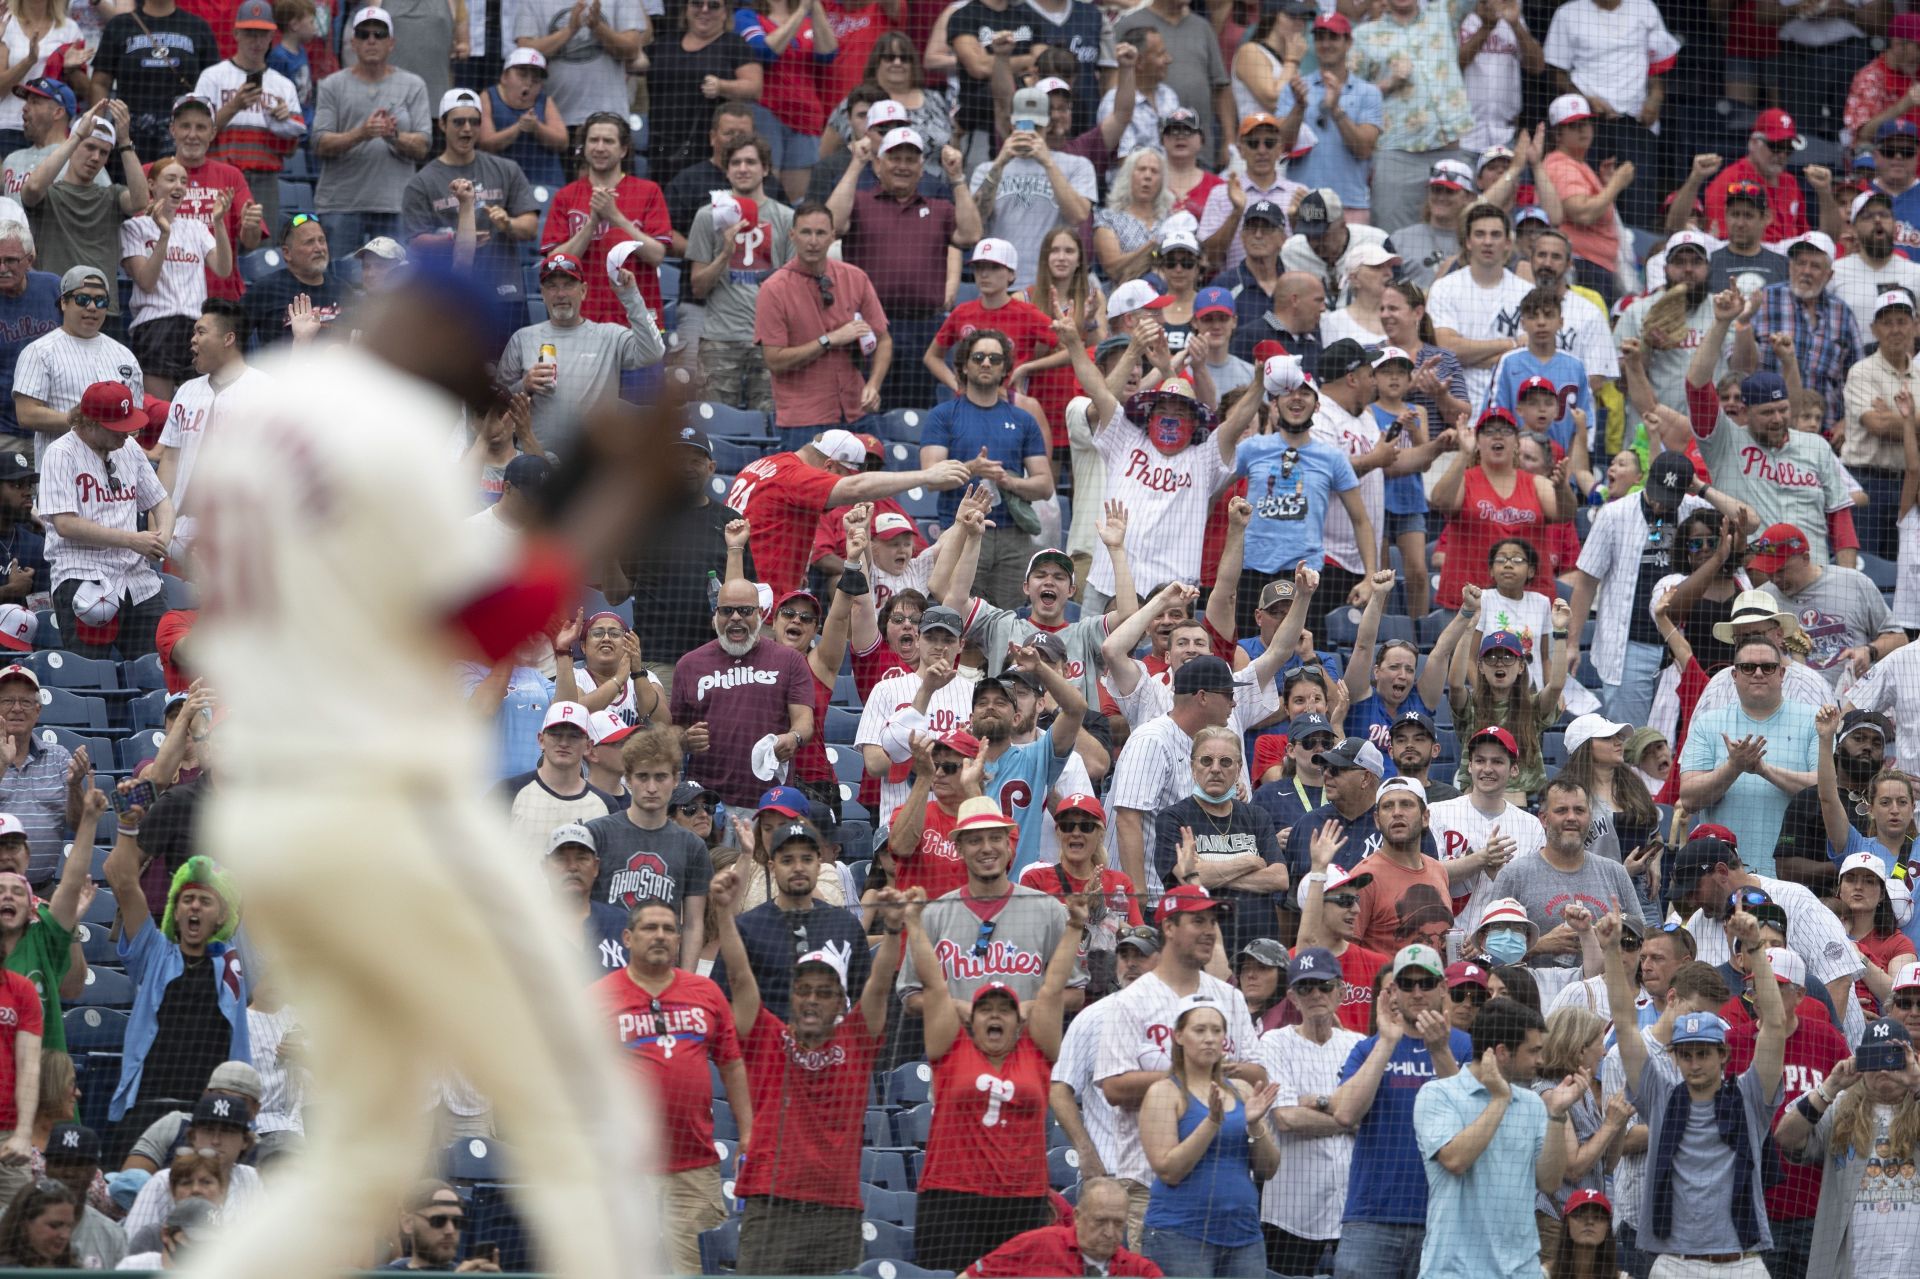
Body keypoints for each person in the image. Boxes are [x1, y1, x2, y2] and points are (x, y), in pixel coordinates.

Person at [903, 873, 1084, 1273]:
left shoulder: (1036, 1055)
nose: (996, 1015)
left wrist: (1073, 929)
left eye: (1005, 1008)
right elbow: (934, 985)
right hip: (952, 1199)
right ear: (972, 1015)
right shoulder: (951, 1052)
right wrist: (915, 924)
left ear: (1018, 1017)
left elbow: (1053, 989)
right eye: (987, 1008)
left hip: (1021, 1200)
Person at [1601, 900, 1785, 1279]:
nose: (1695, 1061)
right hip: (1673, 1264)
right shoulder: (1659, 1094)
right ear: (1675, 1056)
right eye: (1686, 1053)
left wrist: (1754, 949)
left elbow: (1775, 1027)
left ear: (1723, 1054)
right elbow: (1623, 1021)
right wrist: (1608, 950)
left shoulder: (1750, 1097)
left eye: (1704, 1052)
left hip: (1742, 1264)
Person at [595, 889, 747, 1276]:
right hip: (626, 1167)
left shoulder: (706, 992)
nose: (660, 935)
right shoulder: (597, 997)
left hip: (693, 1166)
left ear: (680, 940)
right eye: (649, 928)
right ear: (628, 938)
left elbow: (731, 1064)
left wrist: (748, 1130)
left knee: (693, 1271)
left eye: (668, 929)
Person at [1328, 943, 1472, 1279]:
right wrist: (1387, 1041)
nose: (1417, 992)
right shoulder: (1367, 1048)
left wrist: (1440, 1051)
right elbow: (1346, 1114)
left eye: (1427, 982)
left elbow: (1469, 1120)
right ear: (1393, 990)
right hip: (1372, 1216)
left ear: (1443, 988)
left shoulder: (1465, 1046)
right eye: (1408, 984)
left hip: (1442, 1219)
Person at [1413, 996, 1583, 1279]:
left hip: (1521, 1272)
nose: (1540, 1060)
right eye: (1533, 1051)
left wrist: (1556, 1115)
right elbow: (1455, 1160)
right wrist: (1500, 1099)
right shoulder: (1438, 1095)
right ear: (1502, 1052)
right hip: (1454, 1272)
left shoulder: (1531, 1104)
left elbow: (1550, 1182)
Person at [1137, 993, 1281, 1279]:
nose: (1210, 1038)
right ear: (1178, 1035)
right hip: (1180, 1234)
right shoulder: (1164, 1092)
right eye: (1199, 1030)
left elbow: (1269, 1168)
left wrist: (1254, 1126)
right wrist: (1211, 1122)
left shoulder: (1241, 1089)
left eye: (1217, 1030)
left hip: (1243, 1235)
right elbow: (1169, 1171)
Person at [1775, 1016, 1920, 1278]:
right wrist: (1829, 1088)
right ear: (1860, 1062)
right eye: (1874, 1057)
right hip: (1851, 1266)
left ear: (1910, 1059)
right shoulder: (1840, 1106)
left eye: (1893, 1056)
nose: (1884, 1068)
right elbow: (1786, 1136)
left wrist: (1916, 1082)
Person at [38, 381, 173, 660]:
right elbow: (65, 524)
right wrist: (133, 540)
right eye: (117, 426)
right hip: (84, 577)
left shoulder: (130, 448)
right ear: (90, 423)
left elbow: (161, 502)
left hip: (138, 581)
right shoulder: (60, 453)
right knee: (94, 677)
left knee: (158, 669)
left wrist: (162, 538)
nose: (127, 432)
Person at [498, 248, 667, 463]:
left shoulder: (609, 335)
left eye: (569, 285)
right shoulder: (522, 338)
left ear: (584, 290)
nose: (560, 294)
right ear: (542, 293)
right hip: (532, 461)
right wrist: (524, 385)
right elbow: (497, 404)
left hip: (592, 465)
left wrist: (630, 295)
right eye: (552, 286)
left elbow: (654, 352)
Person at [1252, 945, 1362, 1275]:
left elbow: (1371, 1118)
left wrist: (1317, 1102)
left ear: (1341, 992)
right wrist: (1347, 1116)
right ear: (1292, 996)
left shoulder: (1358, 1045)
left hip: (1349, 1212)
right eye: (1305, 986)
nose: (1316, 993)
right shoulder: (1274, 1042)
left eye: (1325, 985)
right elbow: (1286, 1118)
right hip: (1290, 1213)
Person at [399, 88, 538, 338]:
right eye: (458, 121)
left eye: (474, 122)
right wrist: (456, 240)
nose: (467, 129)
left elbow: (530, 227)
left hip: (505, 293)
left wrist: (508, 223)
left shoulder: (506, 169)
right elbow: (415, 242)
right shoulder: (422, 182)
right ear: (442, 124)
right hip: (450, 298)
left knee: (511, 372)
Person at [1679, 637, 1822, 876]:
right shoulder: (1708, 723)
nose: (1758, 673)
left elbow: (1825, 790)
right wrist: (1733, 767)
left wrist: (1764, 770)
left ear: (1782, 673)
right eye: (1748, 667)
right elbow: (1689, 799)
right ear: (1734, 675)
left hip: (1794, 873)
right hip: (1721, 873)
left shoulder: (1813, 721)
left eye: (1768, 667)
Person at [711, 819, 869, 1021]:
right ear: (772, 867)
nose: (798, 868)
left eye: (807, 859)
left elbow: (863, 999)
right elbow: (724, 1001)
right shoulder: (747, 927)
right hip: (768, 1047)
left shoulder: (845, 925)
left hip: (833, 1047)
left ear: (819, 865)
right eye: (787, 860)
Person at [1485, 778, 1644, 967]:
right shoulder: (1514, 875)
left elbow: (1643, 942)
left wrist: (1610, 941)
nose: (1571, 817)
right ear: (1543, 819)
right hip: (1534, 993)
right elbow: (1489, 957)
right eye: (1561, 810)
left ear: (1589, 817)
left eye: (1579, 810)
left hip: (1602, 992)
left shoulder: (1615, 873)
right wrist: (1540, 946)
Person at [311, 6, 430, 256]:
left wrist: (393, 136)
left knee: (395, 286)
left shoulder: (413, 84)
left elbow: (423, 146)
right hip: (341, 204)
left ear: (392, 43)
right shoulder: (332, 85)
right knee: (340, 281)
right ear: (353, 43)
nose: (371, 40)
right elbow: (319, 143)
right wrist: (362, 133)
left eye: (379, 34)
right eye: (364, 34)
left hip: (394, 204)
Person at [687, 136, 793, 413]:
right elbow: (697, 287)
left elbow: (794, 287)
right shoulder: (706, 216)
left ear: (766, 168)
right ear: (726, 169)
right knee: (715, 425)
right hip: (720, 337)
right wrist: (725, 253)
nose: (743, 168)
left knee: (770, 422)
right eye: (735, 162)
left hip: (770, 340)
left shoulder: (786, 217)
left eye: (751, 162)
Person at [539, 112, 672, 328]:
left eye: (608, 141)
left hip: (637, 317)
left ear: (623, 149)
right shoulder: (566, 196)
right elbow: (555, 263)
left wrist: (615, 216)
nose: (600, 147)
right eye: (593, 140)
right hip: (584, 316)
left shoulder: (648, 191)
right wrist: (592, 223)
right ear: (584, 147)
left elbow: (656, 255)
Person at [120, 156, 233, 399]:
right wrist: (164, 235)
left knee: (197, 409)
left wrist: (219, 223)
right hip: (155, 326)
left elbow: (223, 269)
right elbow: (146, 282)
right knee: (160, 413)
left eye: (183, 180)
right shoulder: (134, 227)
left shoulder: (196, 227)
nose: (179, 186)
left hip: (196, 326)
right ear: (151, 185)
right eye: (171, 179)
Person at [19, 100, 148, 307]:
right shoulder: (49, 195)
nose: (96, 157)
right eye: (89, 146)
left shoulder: (112, 196)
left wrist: (124, 141)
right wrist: (77, 135)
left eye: (104, 152)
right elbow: (32, 188)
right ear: (73, 145)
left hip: (101, 308)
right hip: (55, 305)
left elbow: (140, 201)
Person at [10, 265, 141, 468]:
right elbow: (26, 414)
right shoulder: (39, 351)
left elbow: (134, 419)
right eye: (82, 299)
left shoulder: (125, 355)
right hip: (61, 471)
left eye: (100, 300)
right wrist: (77, 419)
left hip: (116, 473)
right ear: (64, 302)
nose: (92, 307)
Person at [192, 0, 304, 233]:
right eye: (250, 33)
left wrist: (283, 123)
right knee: (215, 246)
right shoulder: (212, 77)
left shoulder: (283, 85)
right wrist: (234, 106)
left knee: (263, 255)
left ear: (272, 36)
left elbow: (290, 150)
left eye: (262, 34)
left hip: (264, 180)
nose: (257, 41)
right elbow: (196, 135)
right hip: (219, 177)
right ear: (236, 33)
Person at [1751, 521, 1905, 687]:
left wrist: (1869, 651)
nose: (1775, 579)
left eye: (1781, 570)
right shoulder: (1761, 599)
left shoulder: (1853, 583)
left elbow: (1899, 638)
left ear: (1805, 558)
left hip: (1853, 699)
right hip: (1790, 702)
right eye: (1768, 572)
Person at [1745, 234, 1863, 431]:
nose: (1806, 271)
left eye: (1815, 266)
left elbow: (1857, 377)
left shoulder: (1843, 314)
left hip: (1824, 433)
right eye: (1800, 263)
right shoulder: (1764, 300)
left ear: (1829, 275)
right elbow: (1737, 363)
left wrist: (1847, 422)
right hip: (1767, 428)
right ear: (1790, 266)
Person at [1429, 203, 1533, 407]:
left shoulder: (1526, 293)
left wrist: (1468, 355)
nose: (1487, 242)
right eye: (1480, 234)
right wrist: (1509, 344)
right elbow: (1446, 348)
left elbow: (1530, 355)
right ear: (1468, 242)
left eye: (1495, 235)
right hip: (1456, 404)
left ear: (1507, 244)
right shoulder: (1444, 287)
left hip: (1512, 404)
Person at [963, 1176, 1165, 1278]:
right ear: (1077, 1216)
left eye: (1118, 1223)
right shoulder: (1038, 1244)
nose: (1110, 1233)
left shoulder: (1138, 1270)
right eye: (1100, 1221)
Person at [90, 0, 219, 159]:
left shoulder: (198, 27)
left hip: (182, 137)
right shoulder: (119, 25)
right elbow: (100, 82)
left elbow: (212, 84)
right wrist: (98, 126)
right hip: (129, 136)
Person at [510, 0, 644, 131]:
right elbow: (525, 53)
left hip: (608, 118)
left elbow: (631, 50)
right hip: (553, 120)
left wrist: (598, 27)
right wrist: (570, 30)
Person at [241, 212, 347, 347]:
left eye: (321, 240)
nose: (319, 248)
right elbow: (232, 335)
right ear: (287, 253)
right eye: (309, 242)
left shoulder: (343, 290)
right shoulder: (266, 290)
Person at [0, 218, 59, 452]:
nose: (2, 269)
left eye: (10, 261)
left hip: (52, 427)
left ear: (29, 260)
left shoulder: (52, 287)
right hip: (4, 431)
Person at [478, 47, 567, 191]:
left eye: (535, 79)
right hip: (501, 183)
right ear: (504, 77)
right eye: (522, 75)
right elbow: (486, 142)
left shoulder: (545, 101)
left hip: (544, 181)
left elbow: (562, 142)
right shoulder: (488, 97)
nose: (529, 83)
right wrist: (518, 127)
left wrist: (536, 127)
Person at [0, 1176, 76, 1268]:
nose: (65, 1235)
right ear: (24, 1225)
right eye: (54, 1225)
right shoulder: (6, 1271)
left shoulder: (73, 1270)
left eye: (69, 1226)